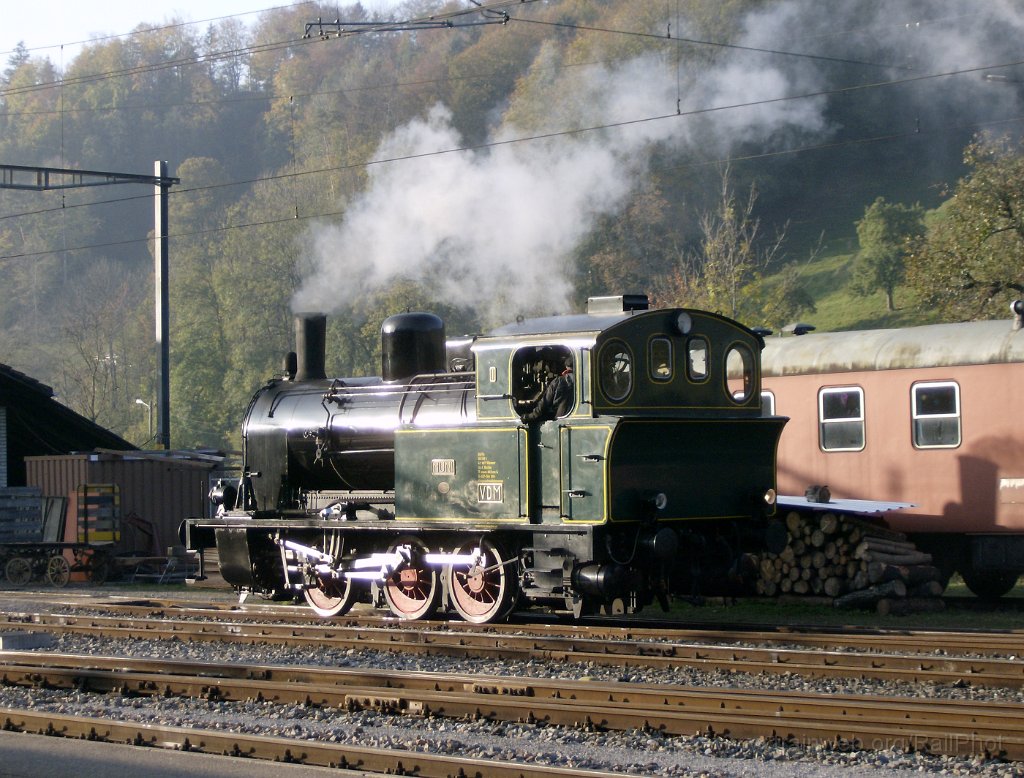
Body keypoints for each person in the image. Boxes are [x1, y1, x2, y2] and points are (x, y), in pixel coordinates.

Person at [522, 353, 574, 423]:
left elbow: (544, 405)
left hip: (561, 423)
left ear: (566, 366)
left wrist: (529, 416)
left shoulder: (558, 381)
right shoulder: (583, 381)